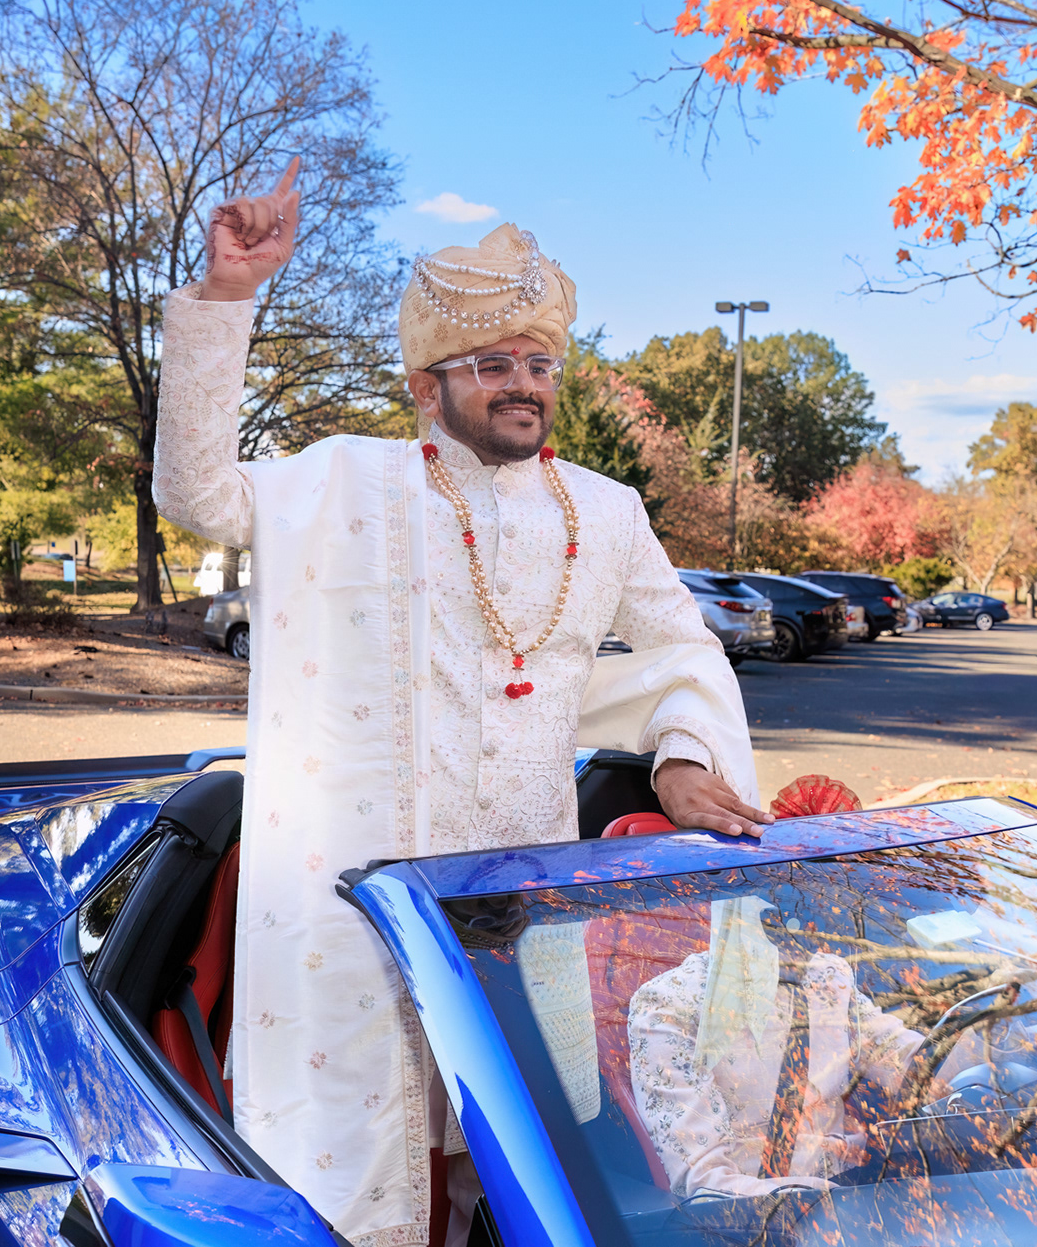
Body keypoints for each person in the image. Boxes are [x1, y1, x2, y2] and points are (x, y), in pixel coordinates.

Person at [152, 162, 770, 1247]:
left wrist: (682, 750)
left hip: (515, 911)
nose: (523, 383)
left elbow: (683, 644)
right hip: (352, 911)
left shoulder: (606, 512)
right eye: (492, 364)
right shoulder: (342, 482)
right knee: (355, 1187)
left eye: (539, 363)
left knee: (520, 1175)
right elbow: (196, 493)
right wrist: (227, 299)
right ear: (425, 386)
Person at [626, 896, 928, 1199]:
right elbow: (706, 1182)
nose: (818, 931)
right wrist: (835, 1203)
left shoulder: (827, 976)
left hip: (862, 1191)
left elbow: (910, 1062)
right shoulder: (672, 1005)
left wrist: (957, 1039)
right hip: (766, 1214)